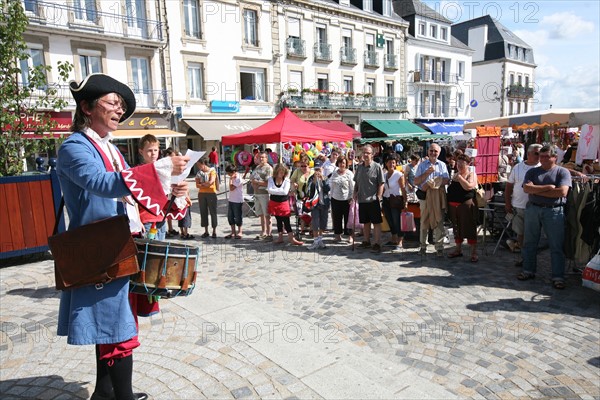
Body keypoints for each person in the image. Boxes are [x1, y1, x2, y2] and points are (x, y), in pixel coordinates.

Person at [56, 73, 189, 400]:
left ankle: (104, 393)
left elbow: (131, 197)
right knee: (117, 329)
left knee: (111, 325)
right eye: (112, 103)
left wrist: (171, 193)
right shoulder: (74, 146)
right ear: (87, 107)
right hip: (101, 251)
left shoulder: (109, 148)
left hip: (119, 247)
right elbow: (102, 184)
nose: (120, 110)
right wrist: (159, 170)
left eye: (121, 105)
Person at [518, 145, 572, 289]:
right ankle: (528, 270)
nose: (543, 159)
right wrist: (548, 187)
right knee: (530, 242)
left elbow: (562, 192)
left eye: (546, 156)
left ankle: (558, 276)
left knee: (556, 245)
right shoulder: (532, 172)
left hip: (554, 211)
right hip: (533, 209)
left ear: (555, 157)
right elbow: (526, 188)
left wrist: (536, 190)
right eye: (540, 156)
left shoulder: (562, 172)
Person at [505, 144, 542, 265]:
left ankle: (530, 258)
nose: (539, 156)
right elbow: (509, 186)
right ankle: (524, 257)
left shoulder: (542, 167)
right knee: (520, 234)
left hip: (535, 206)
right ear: (529, 154)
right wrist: (508, 203)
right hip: (518, 206)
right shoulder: (518, 167)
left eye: (540, 153)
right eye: (537, 153)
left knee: (532, 235)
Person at [414, 143, 449, 256]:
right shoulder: (422, 165)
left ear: (439, 153)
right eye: (431, 151)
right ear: (428, 151)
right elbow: (416, 181)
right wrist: (427, 173)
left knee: (439, 221)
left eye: (435, 151)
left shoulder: (442, 165)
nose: (433, 153)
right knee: (424, 220)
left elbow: (446, 180)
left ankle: (439, 247)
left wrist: (433, 182)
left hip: (438, 196)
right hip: (425, 197)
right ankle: (423, 246)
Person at [446, 154, 479, 262]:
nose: (459, 165)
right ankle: (458, 249)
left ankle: (473, 252)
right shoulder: (454, 174)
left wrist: (460, 178)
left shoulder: (471, 174)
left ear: (468, 164)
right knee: (456, 228)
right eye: (458, 163)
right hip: (453, 206)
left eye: (462, 163)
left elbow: (468, 186)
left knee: (469, 227)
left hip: (466, 206)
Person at [353, 144, 385, 253]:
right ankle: (366, 241)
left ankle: (377, 243)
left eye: (368, 153)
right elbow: (356, 182)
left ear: (372, 154)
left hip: (373, 199)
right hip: (362, 199)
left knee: (376, 222)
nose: (365, 155)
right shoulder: (359, 167)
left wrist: (379, 197)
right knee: (365, 222)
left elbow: (381, 183)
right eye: (364, 153)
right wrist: (354, 193)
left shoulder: (377, 167)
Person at [137, 134, 167, 240]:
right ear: (141, 152)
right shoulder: (138, 172)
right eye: (149, 150)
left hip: (161, 219)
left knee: (161, 253)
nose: (153, 154)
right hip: (146, 220)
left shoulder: (162, 171)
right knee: (150, 253)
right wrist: (137, 220)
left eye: (155, 150)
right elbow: (133, 200)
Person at [267, 163, 304, 245]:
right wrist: (278, 191)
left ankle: (291, 239)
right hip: (274, 202)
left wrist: (275, 191)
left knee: (286, 221)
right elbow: (269, 190)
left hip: (283, 202)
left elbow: (285, 192)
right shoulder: (271, 179)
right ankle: (280, 237)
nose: (281, 174)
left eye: (283, 172)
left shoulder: (286, 180)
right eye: (280, 172)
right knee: (278, 220)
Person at [382, 154, 408, 250]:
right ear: (386, 163)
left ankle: (400, 240)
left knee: (397, 221)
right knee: (390, 220)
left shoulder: (399, 175)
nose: (391, 164)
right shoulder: (384, 175)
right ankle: (393, 238)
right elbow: (383, 189)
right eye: (389, 162)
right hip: (386, 200)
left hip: (395, 200)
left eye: (393, 162)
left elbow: (403, 189)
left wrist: (405, 201)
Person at [329, 156, 354, 243]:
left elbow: (352, 187)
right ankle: (337, 235)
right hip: (335, 198)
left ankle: (350, 236)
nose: (342, 165)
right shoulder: (334, 173)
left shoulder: (349, 173)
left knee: (348, 218)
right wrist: (330, 196)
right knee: (337, 218)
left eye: (343, 163)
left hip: (347, 199)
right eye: (340, 163)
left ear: (346, 164)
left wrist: (352, 197)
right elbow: (331, 185)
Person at [306, 160, 331, 250]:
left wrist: (323, 180)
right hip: (315, 204)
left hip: (324, 203)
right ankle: (315, 240)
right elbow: (308, 191)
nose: (318, 172)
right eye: (316, 169)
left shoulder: (325, 178)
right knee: (315, 222)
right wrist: (314, 182)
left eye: (319, 169)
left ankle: (320, 239)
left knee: (323, 223)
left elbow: (328, 189)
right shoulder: (311, 179)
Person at [251, 152, 273, 240]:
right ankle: (263, 232)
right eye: (259, 157)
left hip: (265, 194)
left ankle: (269, 233)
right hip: (257, 193)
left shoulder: (268, 168)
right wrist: (253, 183)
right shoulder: (257, 167)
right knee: (261, 214)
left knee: (267, 214)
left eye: (263, 157)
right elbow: (252, 178)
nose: (261, 159)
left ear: (266, 158)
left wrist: (257, 183)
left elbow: (268, 182)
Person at [290, 154, 313, 236]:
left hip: (311, 197)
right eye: (301, 166)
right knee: (301, 214)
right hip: (300, 196)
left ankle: (311, 229)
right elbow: (291, 180)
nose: (303, 168)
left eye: (305, 166)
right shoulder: (297, 171)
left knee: (310, 214)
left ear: (308, 165)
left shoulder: (312, 172)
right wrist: (294, 184)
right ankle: (302, 229)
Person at [195, 157, 218, 238]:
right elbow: (197, 185)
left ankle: (214, 231)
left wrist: (203, 184)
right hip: (202, 194)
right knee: (203, 212)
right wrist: (205, 184)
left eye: (199, 164)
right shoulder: (199, 173)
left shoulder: (212, 171)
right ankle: (206, 231)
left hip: (211, 194)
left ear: (203, 164)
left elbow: (211, 182)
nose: (198, 166)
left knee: (213, 212)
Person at [164, 147, 181, 238]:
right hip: (166, 192)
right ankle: (167, 228)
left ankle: (170, 228)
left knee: (169, 210)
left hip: (171, 191)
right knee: (165, 210)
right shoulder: (164, 165)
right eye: (172, 156)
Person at [225, 164, 244, 239]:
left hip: (237, 200)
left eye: (229, 173)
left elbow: (231, 188)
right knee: (230, 216)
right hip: (231, 199)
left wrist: (230, 180)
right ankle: (233, 232)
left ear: (233, 172)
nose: (228, 175)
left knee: (238, 216)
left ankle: (240, 231)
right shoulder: (233, 177)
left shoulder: (238, 178)